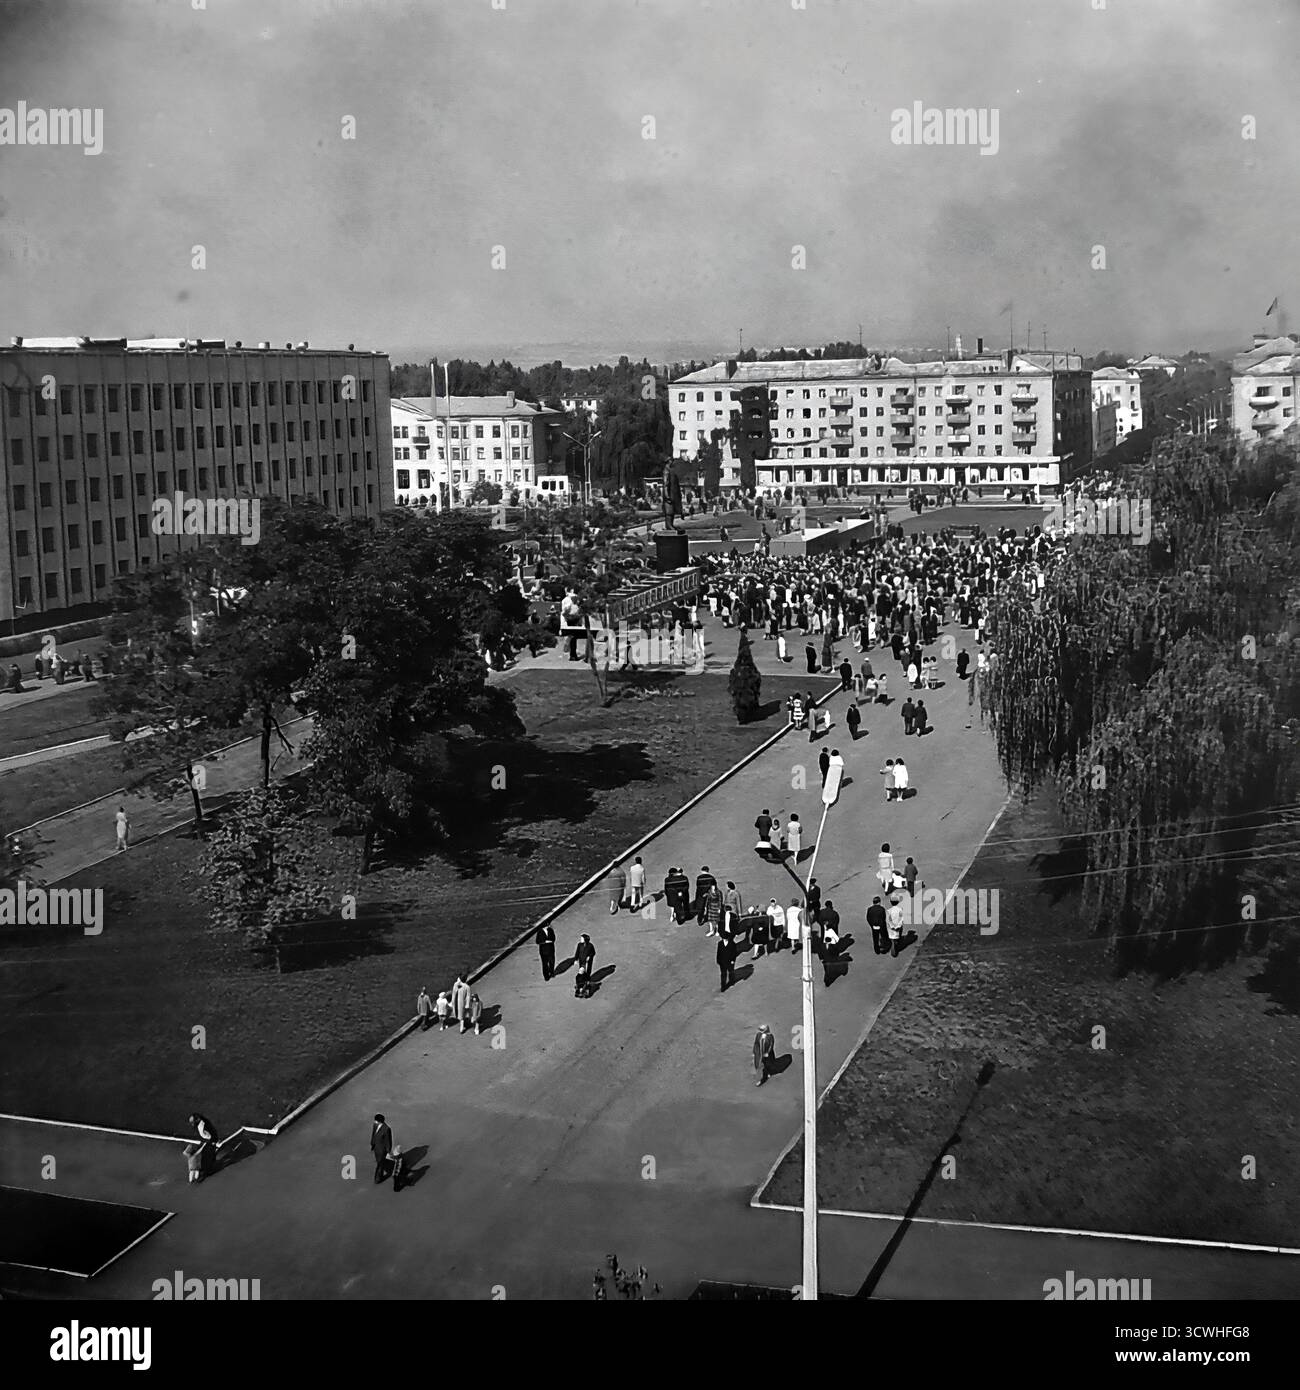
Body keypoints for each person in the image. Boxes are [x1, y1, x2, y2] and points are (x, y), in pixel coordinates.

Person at [187, 1112, 220, 1183]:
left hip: (211, 1141)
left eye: (194, 1122)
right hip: (209, 1141)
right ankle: (209, 1167)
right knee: (206, 1154)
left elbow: (210, 1135)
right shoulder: (201, 1124)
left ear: (197, 1120)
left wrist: (211, 1142)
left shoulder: (203, 1126)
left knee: (207, 1155)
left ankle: (208, 1171)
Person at [370, 1113, 393, 1184]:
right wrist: (372, 1143)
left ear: (379, 1121)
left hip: (382, 1150)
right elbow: (374, 1134)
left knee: (379, 1165)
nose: (374, 1122)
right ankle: (386, 1165)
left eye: (376, 1120)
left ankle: (378, 1179)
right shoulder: (375, 1125)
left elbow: (388, 1141)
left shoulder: (386, 1129)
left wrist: (388, 1151)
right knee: (380, 1162)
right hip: (376, 1148)